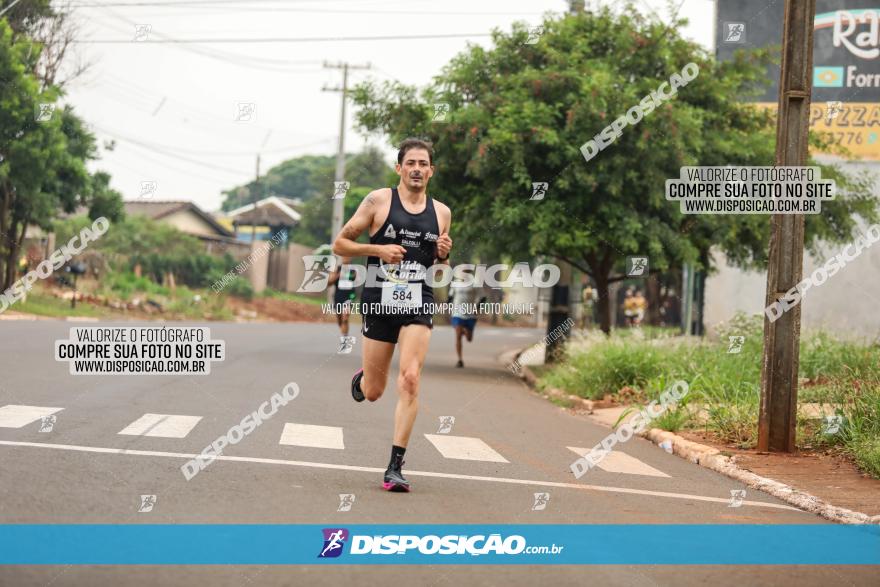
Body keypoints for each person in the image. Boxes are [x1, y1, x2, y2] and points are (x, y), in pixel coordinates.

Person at [332, 138, 452, 492]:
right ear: (399, 168)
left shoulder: (442, 212)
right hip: (379, 299)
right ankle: (365, 377)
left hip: (419, 299)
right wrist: (377, 249)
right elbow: (341, 243)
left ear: (431, 170)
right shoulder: (378, 201)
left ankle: (395, 466)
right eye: (410, 163)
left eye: (423, 163)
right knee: (374, 392)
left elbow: (438, 261)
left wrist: (444, 253)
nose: (417, 168)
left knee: (411, 378)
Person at [450, 276, 480, 368]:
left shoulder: (475, 282)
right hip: (457, 313)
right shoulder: (455, 283)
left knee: (469, 339)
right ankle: (460, 360)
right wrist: (448, 306)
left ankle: (464, 331)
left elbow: (482, 297)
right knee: (458, 336)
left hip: (470, 314)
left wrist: (477, 308)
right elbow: (450, 296)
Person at [328, 256, 357, 343]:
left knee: (345, 318)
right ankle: (344, 333)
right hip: (338, 296)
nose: (346, 258)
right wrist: (338, 274)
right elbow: (329, 283)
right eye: (344, 256)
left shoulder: (354, 269)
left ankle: (344, 340)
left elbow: (357, 280)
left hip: (349, 297)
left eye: (348, 256)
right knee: (340, 320)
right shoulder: (337, 269)